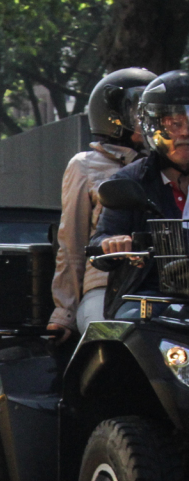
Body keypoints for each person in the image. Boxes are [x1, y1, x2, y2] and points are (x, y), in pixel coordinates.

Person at [49, 68, 154, 339]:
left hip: (161, 286)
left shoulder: (168, 166)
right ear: (114, 117)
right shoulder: (85, 165)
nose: (149, 121)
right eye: (138, 113)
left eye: (154, 113)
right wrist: (65, 313)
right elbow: (71, 243)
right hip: (106, 287)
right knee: (108, 337)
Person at [90, 70, 189, 308]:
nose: (185, 132)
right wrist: (112, 243)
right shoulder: (131, 181)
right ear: (153, 126)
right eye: (175, 124)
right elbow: (99, 242)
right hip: (147, 298)